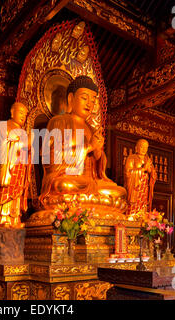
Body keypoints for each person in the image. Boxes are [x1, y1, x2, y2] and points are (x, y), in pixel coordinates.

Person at [39, 75, 127, 218]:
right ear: (70, 99)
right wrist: (88, 147)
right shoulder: (60, 121)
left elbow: (99, 171)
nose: (89, 104)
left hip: (89, 183)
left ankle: (87, 203)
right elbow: (50, 159)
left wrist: (98, 152)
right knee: (65, 186)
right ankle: (81, 206)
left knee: (119, 192)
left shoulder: (91, 128)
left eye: (92, 100)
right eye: (84, 98)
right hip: (68, 180)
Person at [0, 102, 30, 228]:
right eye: (21, 112)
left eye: (26, 114)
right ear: (12, 112)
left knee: (17, 194)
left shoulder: (22, 131)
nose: (23, 116)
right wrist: (22, 144)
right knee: (6, 191)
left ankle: (14, 219)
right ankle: (3, 220)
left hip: (19, 166)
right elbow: (3, 146)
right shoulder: (4, 126)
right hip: (8, 167)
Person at [124, 139, 156, 218]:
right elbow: (128, 173)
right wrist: (143, 169)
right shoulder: (131, 158)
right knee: (134, 203)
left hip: (144, 186)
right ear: (136, 148)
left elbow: (154, 174)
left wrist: (150, 171)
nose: (144, 149)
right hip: (134, 187)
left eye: (146, 147)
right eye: (142, 147)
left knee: (143, 204)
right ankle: (131, 217)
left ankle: (142, 217)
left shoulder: (148, 160)